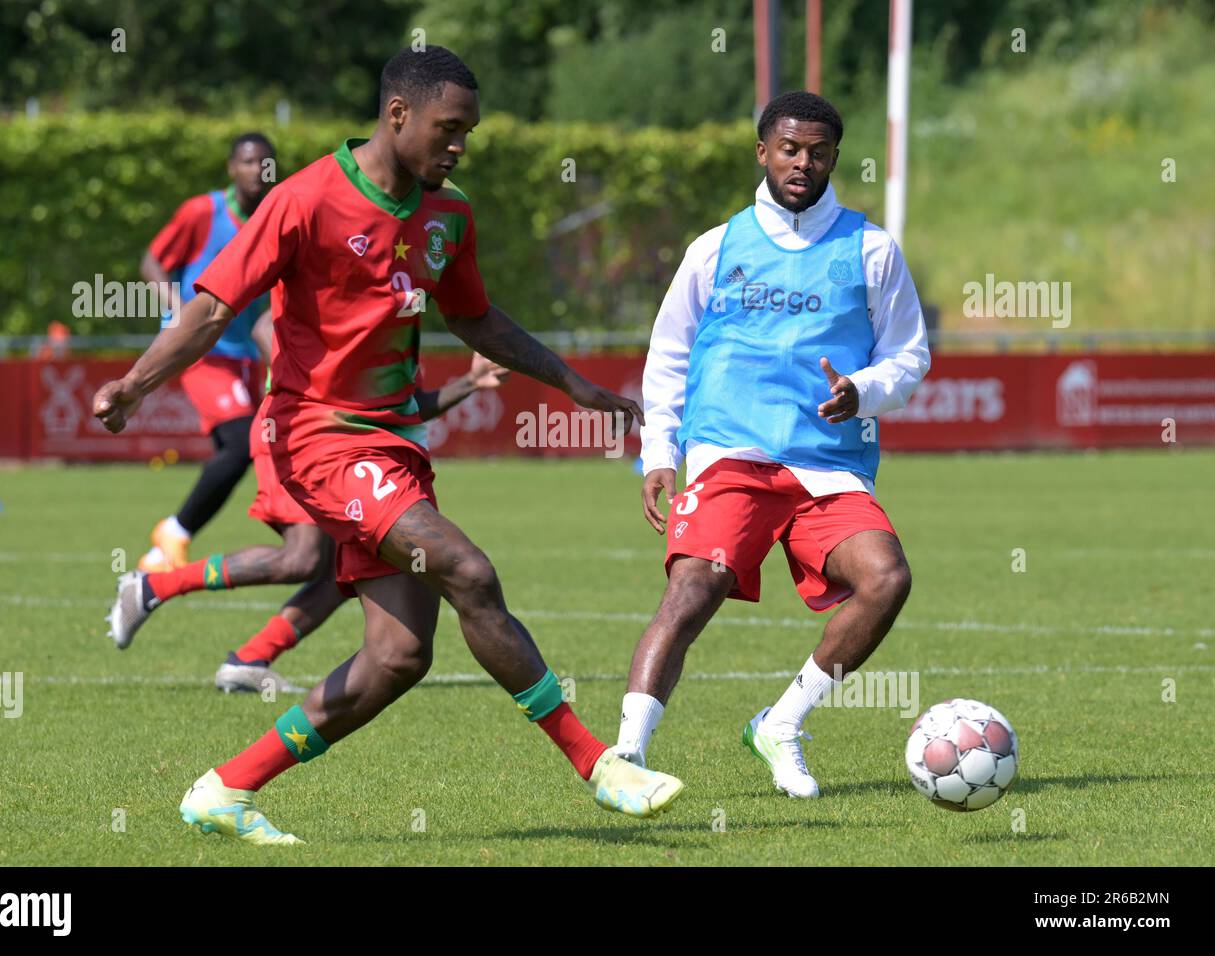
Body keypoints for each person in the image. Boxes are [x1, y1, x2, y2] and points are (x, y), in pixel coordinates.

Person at [93, 45, 684, 844]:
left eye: (469, 131)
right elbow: (212, 304)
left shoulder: (450, 214)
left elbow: (475, 317)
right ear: (397, 114)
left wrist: (572, 384)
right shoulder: (303, 199)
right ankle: (597, 764)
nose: (460, 145)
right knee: (469, 570)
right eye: (449, 128)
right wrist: (134, 383)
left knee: (399, 656)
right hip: (316, 437)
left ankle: (226, 789)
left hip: (389, 443)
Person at [614, 91, 930, 798]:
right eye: (790, 148)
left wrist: (863, 391)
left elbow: (909, 357)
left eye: (818, 151)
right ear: (763, 151)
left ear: (835, 158)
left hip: (828, 463)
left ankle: (781, 724)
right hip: (733, 452)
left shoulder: (871, 249)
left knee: (886, 579)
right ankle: (627, 755)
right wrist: (660, 452)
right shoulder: (717, 247)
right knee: (695, 586)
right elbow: (669, 353)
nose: (803, 162)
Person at [107, 345, 511, 698]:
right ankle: (151, 586)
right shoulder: (345, 277)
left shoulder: (399, 306)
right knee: (301, 559)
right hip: (298, 431)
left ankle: (250, 658)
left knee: (352, 570)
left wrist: (471, 382)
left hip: (347, 449)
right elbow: (269, 321)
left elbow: (403, 408)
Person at [134, 133, 277, 573]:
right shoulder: (203, 212)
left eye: (266, 163)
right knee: (240, 445)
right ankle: (174, 533)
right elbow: (151, 261)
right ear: (232, 168)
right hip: (200, 351)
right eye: (249, 162)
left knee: (252, 449)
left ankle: (159, 559)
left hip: (243, 357)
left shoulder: (276, 217)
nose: (258, 171)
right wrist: (179, 312)